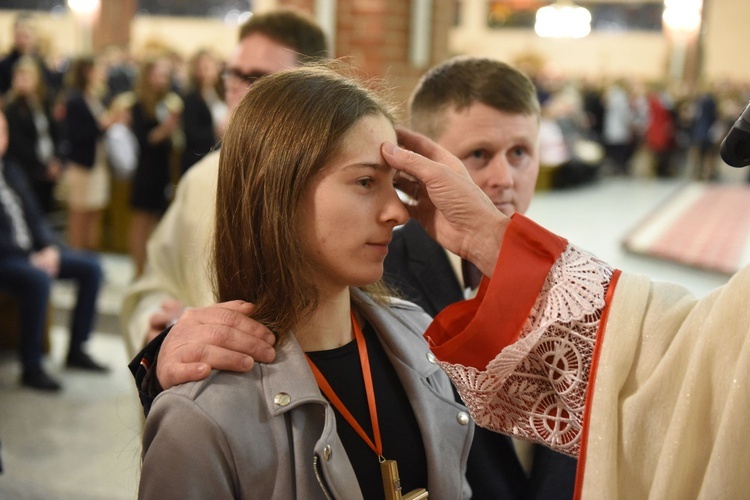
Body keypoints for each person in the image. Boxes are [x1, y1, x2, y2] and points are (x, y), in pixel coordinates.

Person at [139, 65, 473, 499]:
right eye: (366, 181)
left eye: (395, 185)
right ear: (278, 190)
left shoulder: (418, 338)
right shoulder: (203, 413)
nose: (398, 212)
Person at [384, 57, 576, 498]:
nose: (504, 178)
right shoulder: (380, 279)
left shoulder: (565, 273)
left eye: (520, 153)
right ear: (426, 162)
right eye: (479, 155)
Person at [120, 9, 329, 356]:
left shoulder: (330, 185)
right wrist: (156, 327)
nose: (234, 87)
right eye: (233, 73)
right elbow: (156, 279)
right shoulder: (204, 177)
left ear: (308, 87)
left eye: (257, 77)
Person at [0, 109, 107, 392]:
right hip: (6, 258)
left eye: (3, 132)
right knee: (37, 280)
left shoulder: (10, 169)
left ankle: (76, 350)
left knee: (91, 268)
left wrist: (48, 246)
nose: (0, 138)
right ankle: (31, 367)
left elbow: (34, 215)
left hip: (30, 252)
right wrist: (29, 257)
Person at [127, 55, 182, 277]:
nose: (163, 79)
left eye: (166, 75)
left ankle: (152, 270)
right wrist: (166, 129)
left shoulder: (166, 102)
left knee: (158, 222)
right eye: (159, 74)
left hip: (162, 169)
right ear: (147, 76)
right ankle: (138, 270)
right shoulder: (138, 104)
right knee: (141, 221)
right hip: (145, 170)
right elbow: (143, 139)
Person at [60, 56, 113, 250]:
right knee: (79, 215)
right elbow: (75, 134)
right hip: (81, 164)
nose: (101, 73)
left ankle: (91, 260)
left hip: (97, 162)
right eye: (97, 69)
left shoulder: (94, 96)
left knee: (95, 213)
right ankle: (77, 258)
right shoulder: (74, 99)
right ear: (86, 72)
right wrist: (103, 126)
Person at [3, 55, 62, 214]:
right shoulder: (12, 107)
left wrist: (56, 160)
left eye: (26, 76)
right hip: (28, 171)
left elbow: (55, 132)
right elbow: (18, 143)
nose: (22, 80)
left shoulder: (44, 101)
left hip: (49, 166)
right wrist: (42, 167)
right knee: (31, 213)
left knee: (47, 212)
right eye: (19, 76)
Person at [179, 49, 226, 174]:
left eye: (210, 67)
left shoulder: (222, 93)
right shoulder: (191, 97)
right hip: (199, 158)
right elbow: (190, 132)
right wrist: (215, 131)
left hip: (220, 154)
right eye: (203, 68)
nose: (207, 73)